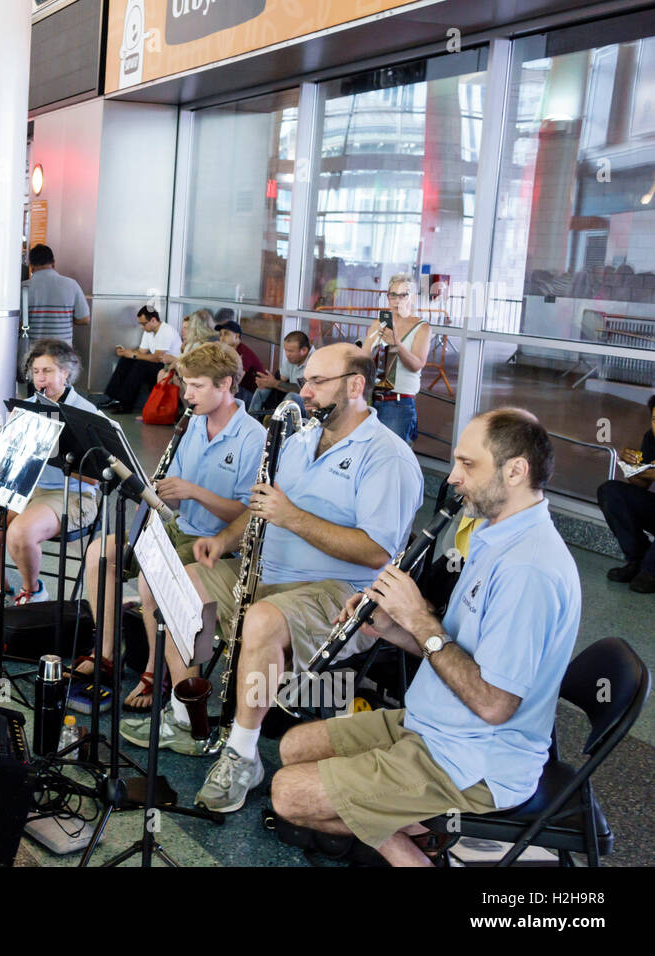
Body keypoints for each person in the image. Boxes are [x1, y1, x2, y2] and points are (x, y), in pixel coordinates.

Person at [120, 344, 423, 812]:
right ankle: (187, 716)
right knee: (171, 583)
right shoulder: (301, 441)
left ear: (356, 385)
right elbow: (262, 506)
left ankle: (242, 755)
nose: (304, 392)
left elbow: (377, 551)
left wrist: (295, 518)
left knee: (260, 620)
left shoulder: (388, 457)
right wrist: (223, 541)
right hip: (264, 574)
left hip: (341, 595)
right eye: (305, 381)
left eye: (316, 382)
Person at [272, 409, 579, 866]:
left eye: (468, 465)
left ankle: (411, 856)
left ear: (516, 470)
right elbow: (455, 653)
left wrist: (420, 618)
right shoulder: (496, 537)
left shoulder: (527, 570)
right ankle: (411, 832)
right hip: (435, 723)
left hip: (474, 761)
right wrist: (394, 627)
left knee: (288, 794)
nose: (453, 477)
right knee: (292, 746)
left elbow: (495, 704)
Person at [78, 343, 265, 709]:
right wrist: (152, 491)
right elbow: (175, 500)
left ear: (225, 384)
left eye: (196, 386)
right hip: (182, 526)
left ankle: (156, 671)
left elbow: (249, 516)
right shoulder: (193, 424)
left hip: (221, 543)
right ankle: (107, 654)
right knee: (102, 553)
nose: (187, 394)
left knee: (153, 575)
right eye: (186, 385)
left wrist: (194, 491)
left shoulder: (252, 438)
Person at [0, 339, 100, 619]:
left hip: (73, 493)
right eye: (36, 372)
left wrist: (52, 453)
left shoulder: (88, 413)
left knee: (21, 533)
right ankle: (0, 589)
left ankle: (33, 591)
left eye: (48, 371)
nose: (40, 379)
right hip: (26, 488)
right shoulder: (26, 406)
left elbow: (96, 478)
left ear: (66, 373)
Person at [363, 274, 432, 445]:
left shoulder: (422, 327)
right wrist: (372, 345)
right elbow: (363, 358)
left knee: (391, 456)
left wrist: (396, 344)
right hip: (373, 398)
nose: (397, 300)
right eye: (392, 295)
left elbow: (417, 365)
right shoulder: (380, 322)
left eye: (403, 295)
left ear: (413, 298)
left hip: (399, 402)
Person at [597, 394, 655, 594]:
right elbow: (641, 485)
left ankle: (651, 571)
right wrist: (632, 468)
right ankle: (637, 560)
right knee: (610, 492)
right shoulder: (651, 437)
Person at [92, 306, 181, 414]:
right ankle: (113, 397)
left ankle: (126, 404)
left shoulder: (166, 331)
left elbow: (157, 358)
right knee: (126, 360)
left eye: (144, 324)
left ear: (153, 320)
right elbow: (141, 352)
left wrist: (133, 355)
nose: (142, 327)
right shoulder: (149, 331)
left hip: (169, 367)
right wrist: (126, 353)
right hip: (158, 364)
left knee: (140, 365)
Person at [22, 243, 89, 345]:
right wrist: (63, 317)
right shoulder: (71, 285)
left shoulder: (23, 288)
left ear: (31, 265)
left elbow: (17, 324)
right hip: (63, 354)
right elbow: (84, 319)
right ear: (53, 263)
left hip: (34, 354)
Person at [251, 330, 314, 413]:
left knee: (292, 396)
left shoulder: (315, 362)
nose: (287, 354)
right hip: (292, 402)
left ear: (304, 350)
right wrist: (266, 383)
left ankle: (278, 423)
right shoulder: (294, 359)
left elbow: (302, 390)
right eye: (286, 350)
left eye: (291, 351)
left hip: (310, 407)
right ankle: (252, 417)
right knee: (262, 390)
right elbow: (281, 380)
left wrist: (274, 383)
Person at [214, 313, 267, 407]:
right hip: (242, 391)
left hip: (254, 397)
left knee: (225, 389)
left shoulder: (243, 353)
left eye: (226, 334)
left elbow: (236, 381)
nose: (221, 338)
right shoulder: (229, 351)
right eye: (220, 334)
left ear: (237, 336)